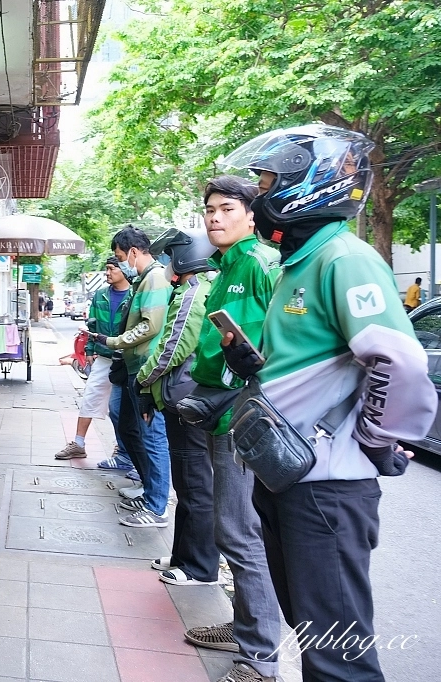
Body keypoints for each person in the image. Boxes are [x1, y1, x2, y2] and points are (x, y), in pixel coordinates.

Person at [219, 124, 436, 681]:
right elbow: (308, 362)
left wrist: (379, 438)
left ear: (307, 185)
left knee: (338, 657)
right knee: (313, 630)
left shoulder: (345, 258)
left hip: (328, 488)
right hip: (287, 477)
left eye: (269, 180)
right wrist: (251, 365)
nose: (261, 192)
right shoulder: (300, 263)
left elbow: (399, 361)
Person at [179, 175, 281, 682]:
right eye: (209, 210)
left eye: (226, 209)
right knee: (231, 528)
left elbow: (283, 340)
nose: (215, 218)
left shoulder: (261, 263)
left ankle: (260, 657)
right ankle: (244, 626)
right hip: (218, 411)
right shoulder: (224, 266)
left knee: (240, 533)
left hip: (243, 415)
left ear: (250, 214)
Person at [135, 227, 219, 587]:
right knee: (187, 485)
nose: (167, 264)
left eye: (172, 256)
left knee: (195, 487)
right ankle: (184, 555)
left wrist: (142, 381)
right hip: (192, 398)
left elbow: (172, 347)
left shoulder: (194, 291)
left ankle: (200, 567)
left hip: (188, 399)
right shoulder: (198, 287)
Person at [90, 226, 172, 529]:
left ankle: (157, 504)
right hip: (135, 366)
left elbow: (151, 326)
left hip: (147, 367)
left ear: (134, 253)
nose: (119, 262)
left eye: (120, 257)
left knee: (153, 437)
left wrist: (115, 342)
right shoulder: (145, 278)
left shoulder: (154, 278)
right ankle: (150, 493)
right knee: (131, 426)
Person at [54, 256, 131, 461]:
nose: (107, 273)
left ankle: (122, 449)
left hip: (126, 359)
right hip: (104, 356)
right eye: (106, 269)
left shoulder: (134, 294)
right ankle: (78, 443)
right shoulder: (101, 295)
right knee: (90, 397)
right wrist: (89, 349)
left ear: (124, 270)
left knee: (120, 408)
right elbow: (92, 325)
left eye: (111, 269)